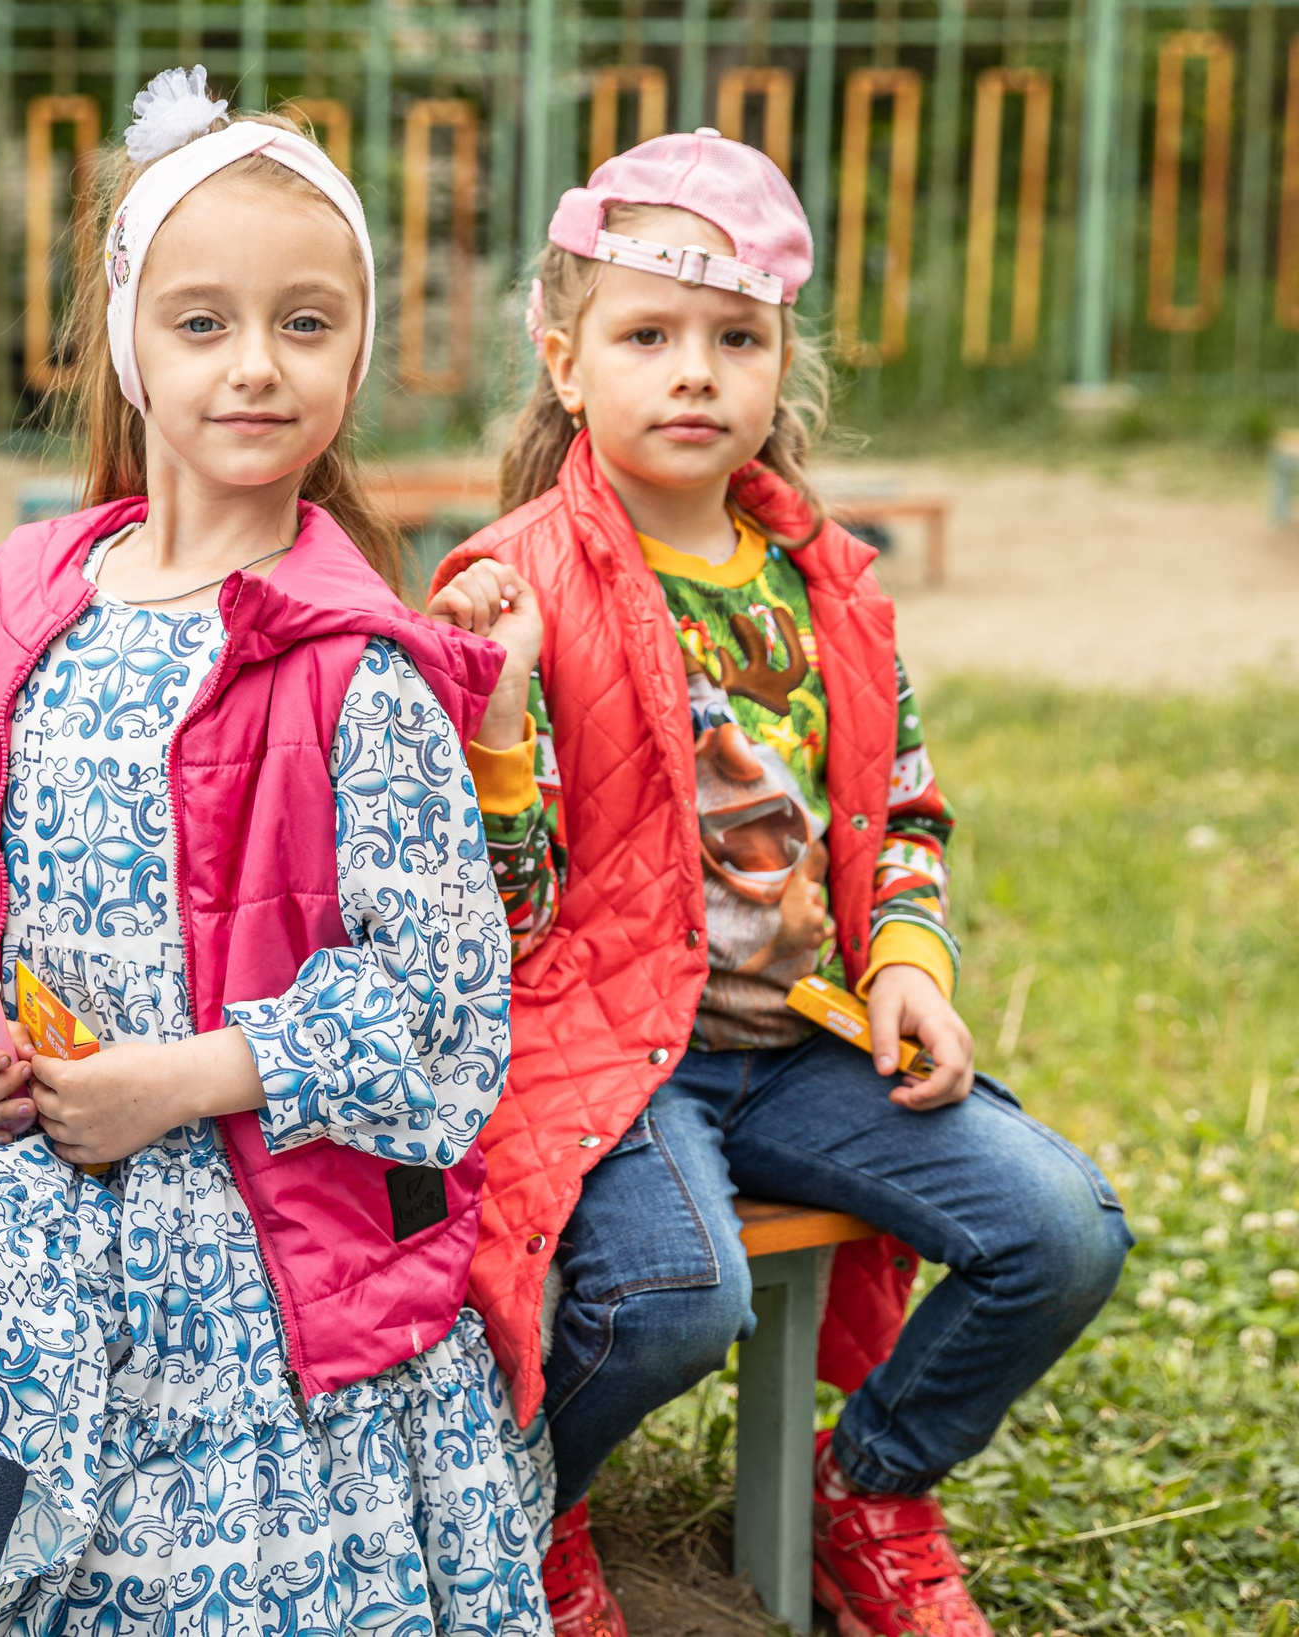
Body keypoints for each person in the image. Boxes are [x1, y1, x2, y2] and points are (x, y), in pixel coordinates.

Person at [0, 69, 548, 1637]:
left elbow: (445, 1004)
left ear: (358, 350)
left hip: (246, 1212)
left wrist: (178, 1079)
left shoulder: (354, 663)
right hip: (16, 1164)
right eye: (203, 323)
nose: (255, 367)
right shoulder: (22, 599)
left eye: (307, 324)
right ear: (130, 339)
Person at [425, 131, 1131, 1637]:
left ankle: (866, 1488)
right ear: (566, 364)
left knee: (1063, 1230)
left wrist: (907, 968)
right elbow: (489, 913)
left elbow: (910, 812)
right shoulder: (516, 584)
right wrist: (494, 722)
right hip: (617, 1052)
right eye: (648, 336)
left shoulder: (827, 588)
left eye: (734, 339)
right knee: (679, 1296)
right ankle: (525, 1508)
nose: (694, 373)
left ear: (780, 364)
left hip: (799, 1042)